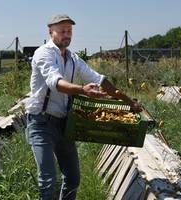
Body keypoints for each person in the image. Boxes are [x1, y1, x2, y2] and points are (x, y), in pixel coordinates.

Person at [25, 14, 142, 200]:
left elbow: (100, 80)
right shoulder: (44, 53)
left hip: (63, 123)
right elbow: (55, 82)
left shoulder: (73, 58)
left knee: (73, 178)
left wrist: (130, 102)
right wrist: (82, 90)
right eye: (62, 31)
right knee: (48, 181)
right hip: (41, 122)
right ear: (50, 31)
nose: (66, 35)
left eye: (69, 31)